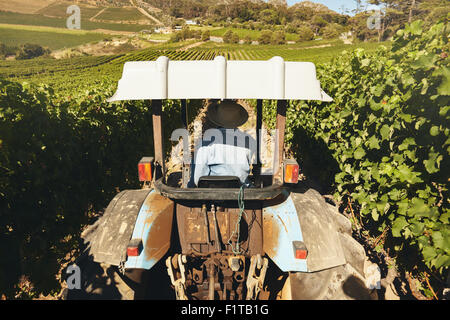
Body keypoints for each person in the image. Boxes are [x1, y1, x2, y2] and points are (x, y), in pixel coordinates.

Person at [191, 100, 255, 187]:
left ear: (217, 119)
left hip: (212, 191)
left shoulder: (206, 142)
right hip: (240, 191)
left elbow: (198, 178)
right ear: (238, 120)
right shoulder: (250, 141)